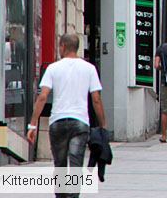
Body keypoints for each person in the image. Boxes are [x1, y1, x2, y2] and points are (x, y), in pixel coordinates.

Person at [27, 34, 107, 198]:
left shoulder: (53, 68)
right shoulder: (89, 68)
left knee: (60, 165)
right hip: (80, 123)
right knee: (76, 165)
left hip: (58, 123)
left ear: (62, 46)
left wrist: (33, 125)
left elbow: (42, 97)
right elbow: (96, 99)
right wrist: (103, 126)